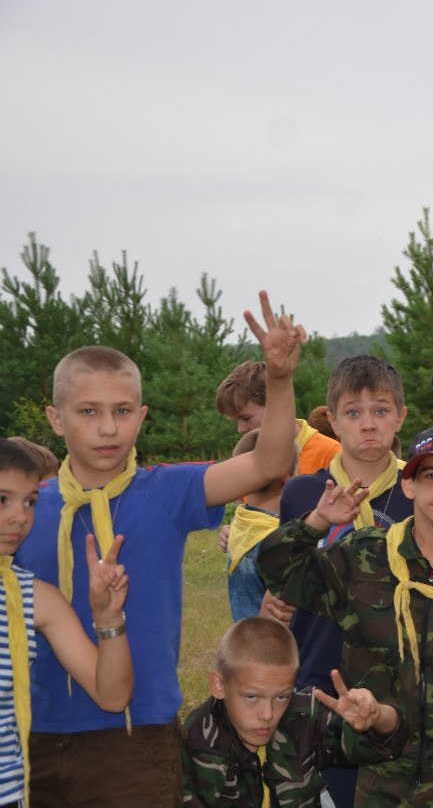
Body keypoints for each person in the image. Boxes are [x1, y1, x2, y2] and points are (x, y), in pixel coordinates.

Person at [16, 290, 304, 808]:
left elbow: (269, 463)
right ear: (56, 419)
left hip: (138, 737)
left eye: (123, 411)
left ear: (142, 415)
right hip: (31, 738)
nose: (108, 427)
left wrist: (279, 380)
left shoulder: (167, 491)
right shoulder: (23, 510)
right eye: (88, 411)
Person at [261, 426, 433, 808]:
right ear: (408, 485)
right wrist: (316, 523)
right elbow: (279, 573)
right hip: (380, 769)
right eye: (431, 476)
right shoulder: (365, 556)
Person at [263, 354, 411, 808]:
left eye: (380, 410)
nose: (368, 424)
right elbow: (284, 573)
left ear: (401, 416)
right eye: (353, 412)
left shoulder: (420, 490)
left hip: (397, 682)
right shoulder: (304, 492)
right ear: (332, 420)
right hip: (317, 671)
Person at [0, 440, 132, 807]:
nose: (20, 516)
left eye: (29, 501)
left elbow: (112, 695)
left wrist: (107, 618)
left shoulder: (35, 597)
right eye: (3, 500)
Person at [182, 617, 407, 808]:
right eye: (252, 697)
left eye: (281, 697)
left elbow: (380, 747)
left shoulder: (301, 716)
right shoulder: (198, 743)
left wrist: (378, 717)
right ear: (219, 685)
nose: (268, 714)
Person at [216, 359, 342, 475]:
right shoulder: (247, 458)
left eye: (246, 418)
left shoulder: (331, 454)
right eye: (236, 421)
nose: (240, 429)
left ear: (276, 405)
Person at [224, 430, 298, 623]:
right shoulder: (281, 541)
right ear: (288, 477)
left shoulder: (242, 522)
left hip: (245, 637)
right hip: (275, 639)